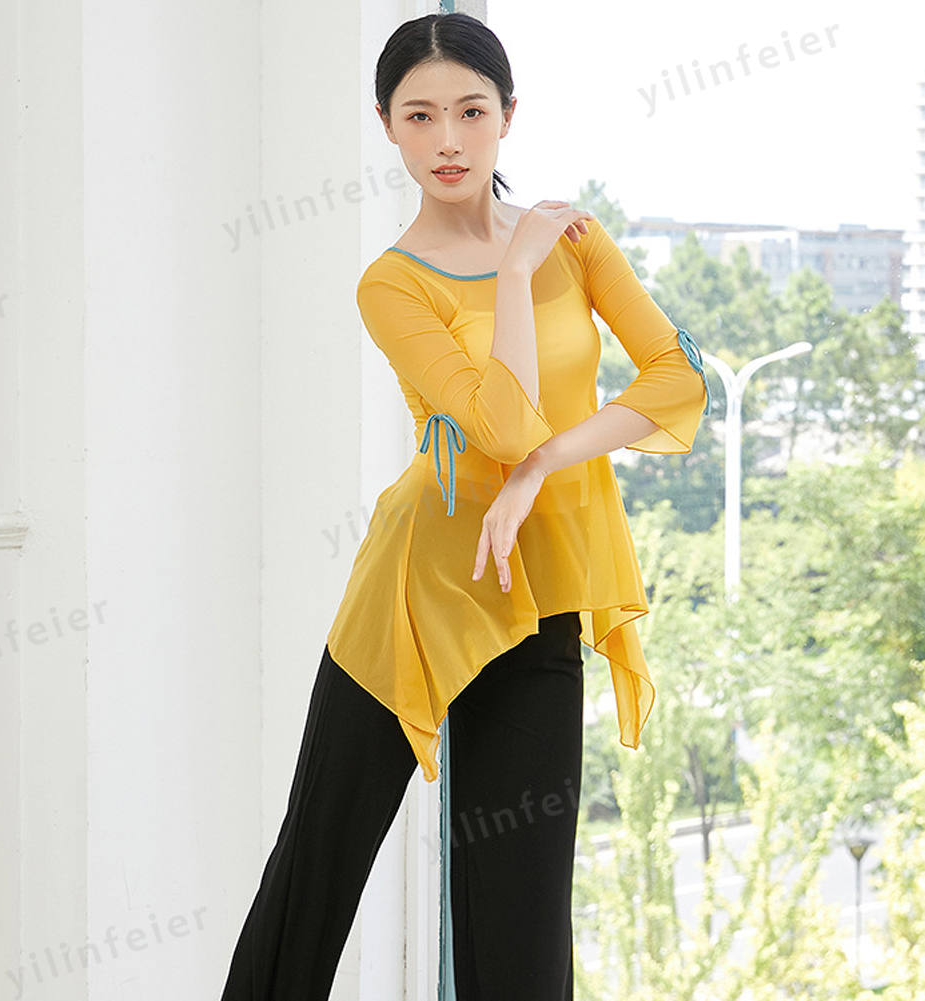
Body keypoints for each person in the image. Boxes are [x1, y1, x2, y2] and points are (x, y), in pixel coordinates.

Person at [219, 11, 710, 1001]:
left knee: (520, 913)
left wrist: (542, 469)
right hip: (415, 591)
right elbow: (499, 422)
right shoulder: (392, 283)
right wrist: (515, 271)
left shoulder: (578, 242)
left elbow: (677, 378)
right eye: (419, 115)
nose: (447, 138)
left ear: (506, 115)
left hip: (539, 586)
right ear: (386, 125)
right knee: (315, 869)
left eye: (470, 111)